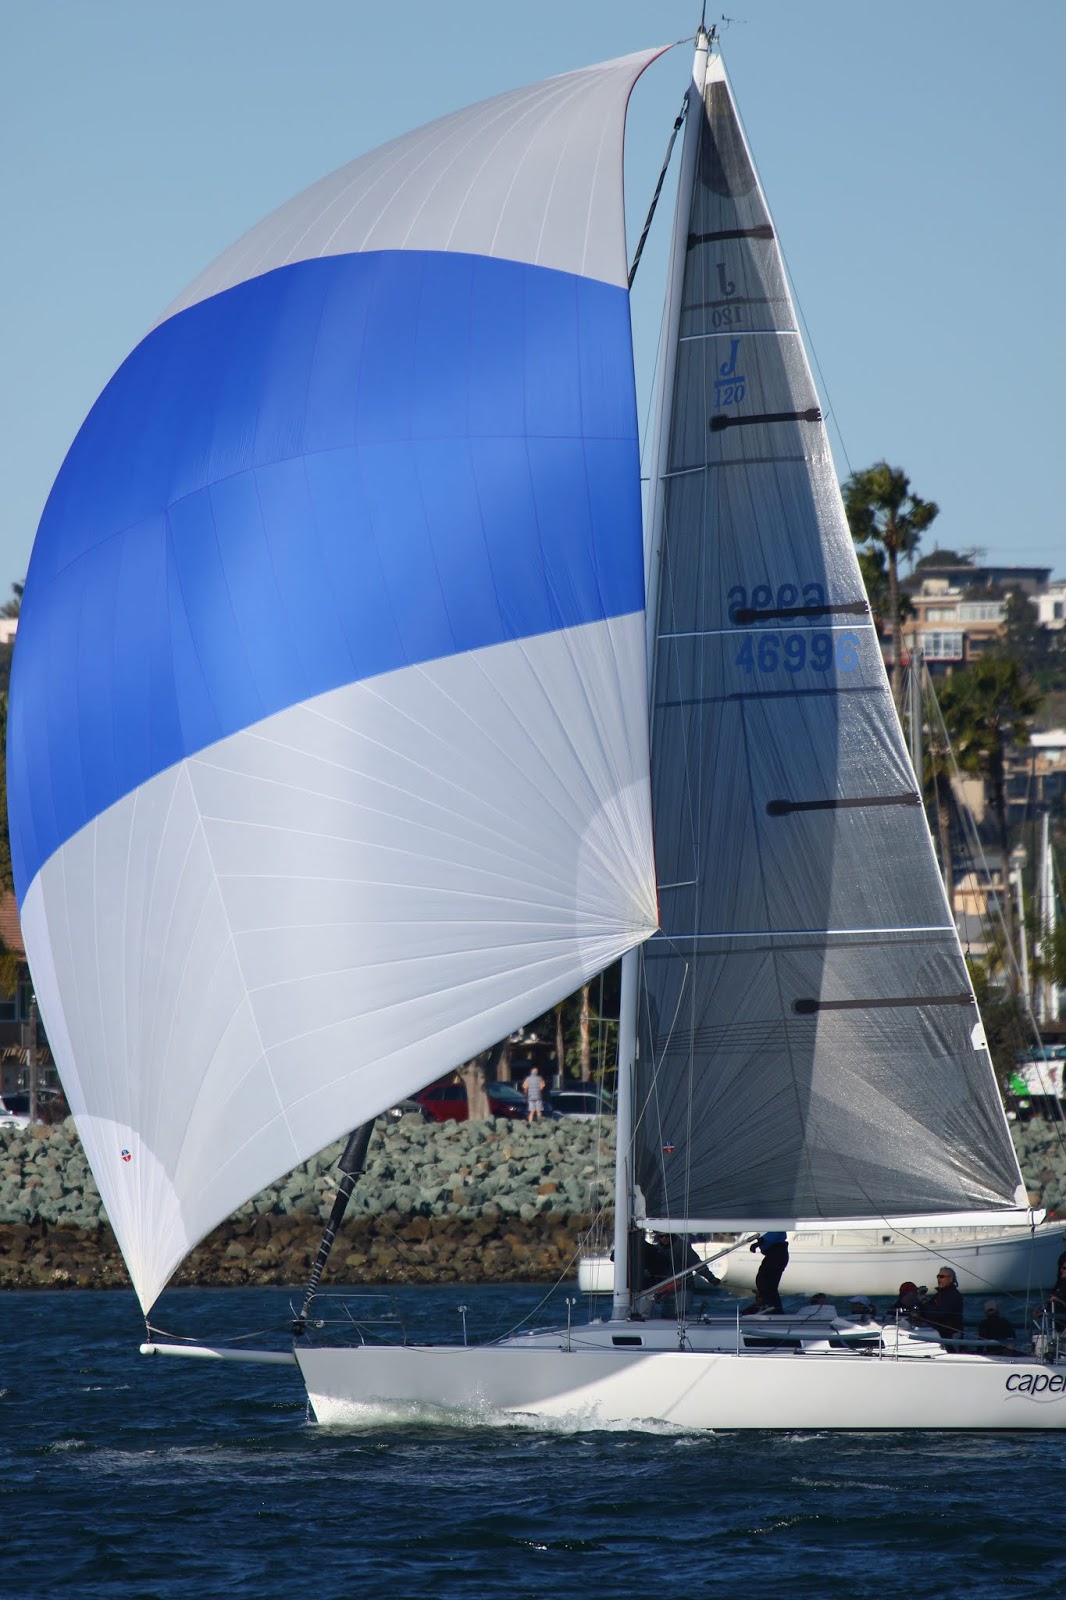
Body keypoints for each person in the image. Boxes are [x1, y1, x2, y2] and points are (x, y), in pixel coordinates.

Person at [741, 1231, 789, 1315]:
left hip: (777, 1252)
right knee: (763, 1280)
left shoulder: (776, 1221)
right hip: (773, 1253)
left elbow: (776, 1232)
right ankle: (769, 1304)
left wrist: (760, 1242)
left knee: (766, 1280)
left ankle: (772, 1306)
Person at [917, 1266, 964, 1342]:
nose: (938, 1279)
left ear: (950, 1279)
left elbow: (940, 1313)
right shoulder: (939, 1295)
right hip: (940, 1334)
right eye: (938, 1277)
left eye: (941, 1277)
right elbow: (929, 1311)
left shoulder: (953, 1295)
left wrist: (924, 1302)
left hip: (950, 1335)